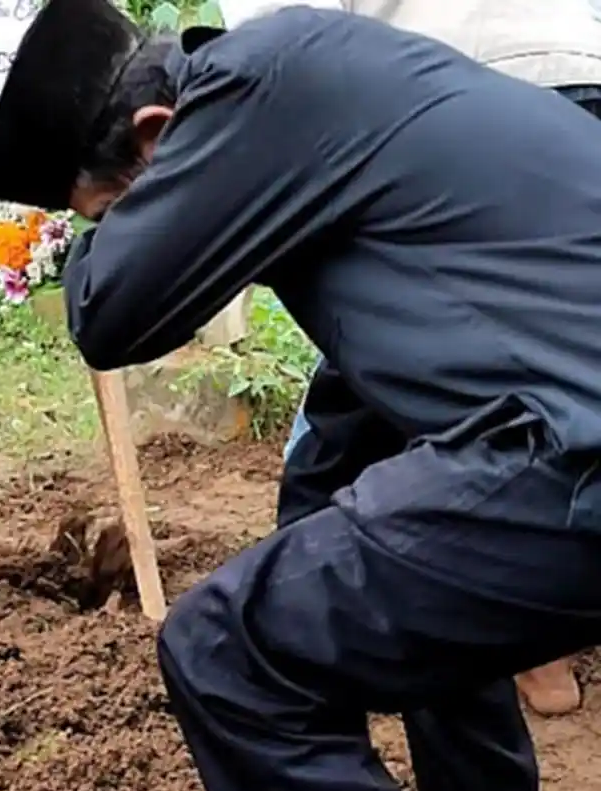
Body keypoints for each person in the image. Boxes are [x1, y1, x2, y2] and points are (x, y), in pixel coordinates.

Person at [0, 2, 601, 791]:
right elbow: (351, 429)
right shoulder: (330, 89)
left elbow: (107, 314)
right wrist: (314, 547)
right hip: (565, 409)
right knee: (404, 600)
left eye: (115, 212)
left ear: (154, 134)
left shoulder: (256, 83)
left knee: (227, 653)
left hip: (575, 442)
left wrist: (110, 234)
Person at [249, 0, 601, 718]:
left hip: (442, 104)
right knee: (559, 369)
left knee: (411, 433)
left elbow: (276, 56)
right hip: (577, 80)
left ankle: (503, 651)